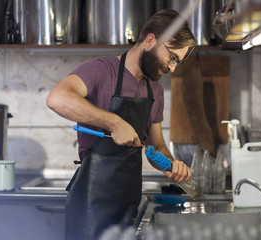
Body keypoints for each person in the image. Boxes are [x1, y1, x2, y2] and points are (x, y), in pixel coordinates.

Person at [46, 9, 195, 240]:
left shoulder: (154, 88)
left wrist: (172, 165)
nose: (173, 68)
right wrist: (114, 123)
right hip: (90, 206)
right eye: (173, 58)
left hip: (128, 204)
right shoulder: (100, 70)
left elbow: (156, 144)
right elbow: (57, 99)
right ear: (151, 40)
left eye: (178, 62)